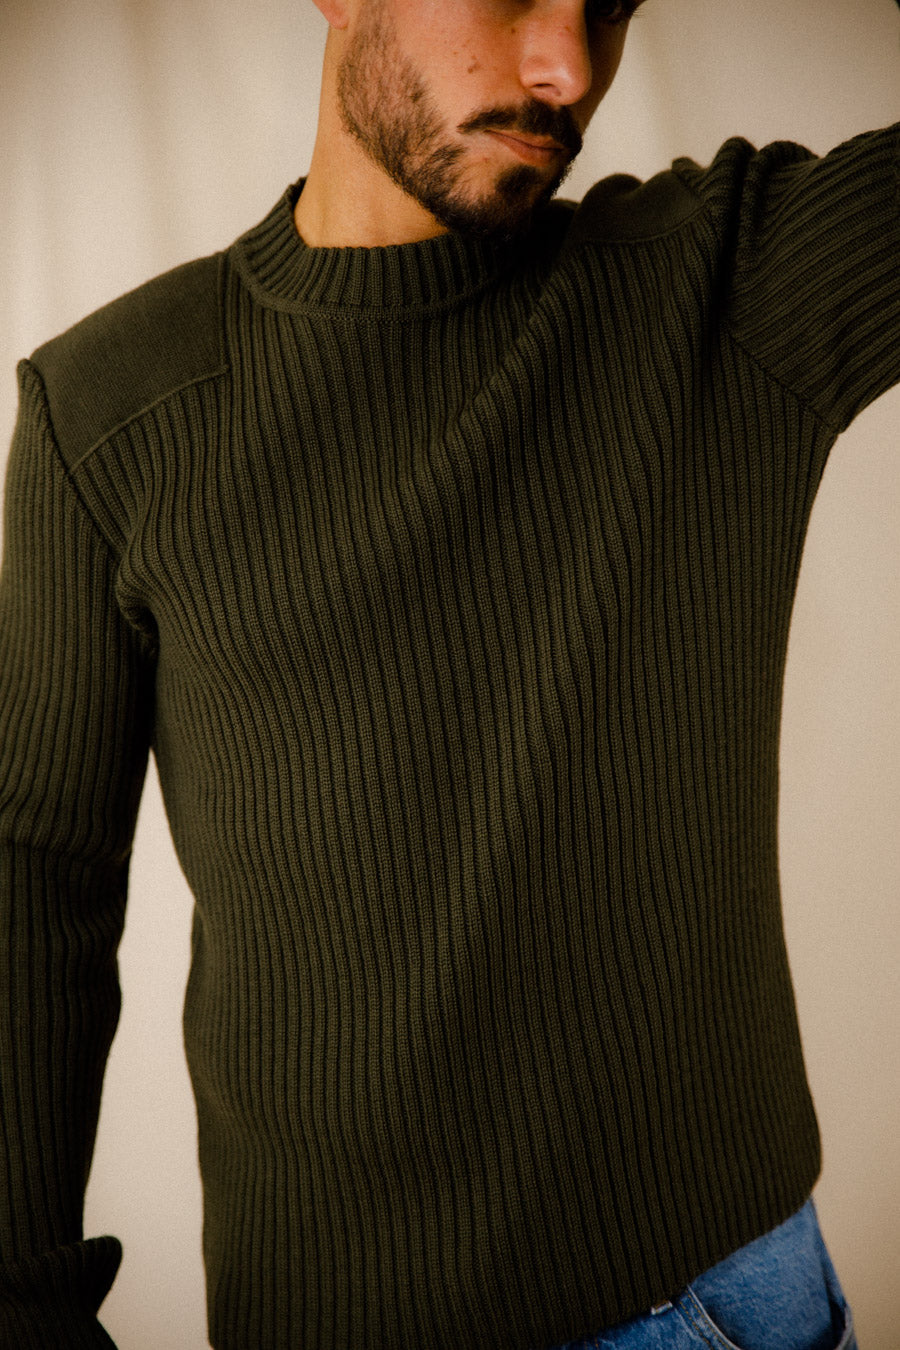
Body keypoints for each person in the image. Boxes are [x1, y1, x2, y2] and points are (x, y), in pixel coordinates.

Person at [0, 0, 897, 1346]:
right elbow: (34, 885)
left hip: (710, 1305)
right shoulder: (109, 413)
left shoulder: (719, 282)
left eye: (609, 6)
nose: (566, 67)